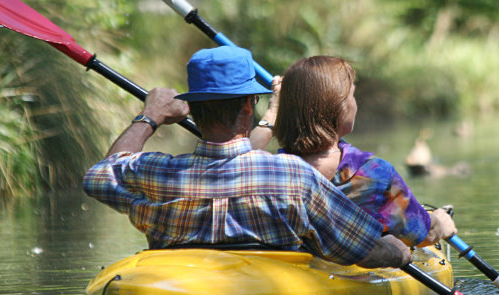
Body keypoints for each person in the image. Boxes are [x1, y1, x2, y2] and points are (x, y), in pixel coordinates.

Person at [82, 46, 411, 269]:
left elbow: (100, 175)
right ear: (247, 106)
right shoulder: (294, 176)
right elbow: (363, 249)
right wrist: (398, 253)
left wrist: (150, 116)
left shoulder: (159, 173)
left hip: (181, 287)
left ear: (192, 108)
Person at [251, 55, 457, 248]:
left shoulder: (267, 170)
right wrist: (440, 222)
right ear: (340, 108)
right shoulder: (373, 173)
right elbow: (423, 234)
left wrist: (273, 111)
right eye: (352, 95)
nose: (355, 103)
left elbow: (239, 158)